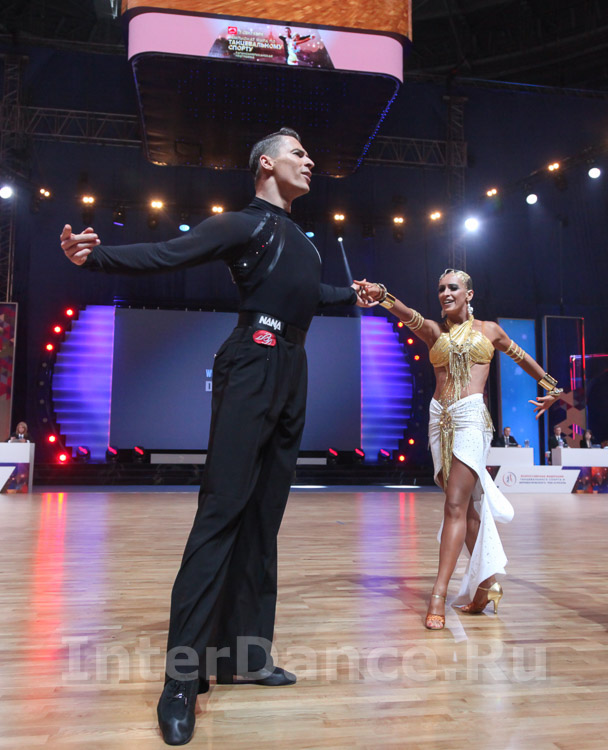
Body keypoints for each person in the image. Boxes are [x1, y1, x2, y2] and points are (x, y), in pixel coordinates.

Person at [61, 128, 367, 746]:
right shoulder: (244, 224)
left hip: (294, 368)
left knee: (264, 518)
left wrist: (352, 295)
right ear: (265, 164)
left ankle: (247, 657)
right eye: (298, 153)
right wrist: (95, 257)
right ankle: (181, 680)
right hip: (252, 359)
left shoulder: (304, 243)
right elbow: (167, 255)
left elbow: (307, 296)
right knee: (222, 514)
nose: (310, 160)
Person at [356, 270, 562, 630]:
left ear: (469, 294)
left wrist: (552, 387)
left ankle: (438, 593)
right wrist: (382, 294)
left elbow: (521, 357)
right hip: (439, 420)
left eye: (453, 287)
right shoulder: (434, 332)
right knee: (467, 511)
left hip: (471, 420)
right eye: (441, 288)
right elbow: (406, 313)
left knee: (454, 505)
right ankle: (486, 586)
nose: (445, 293)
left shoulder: (490, 330)